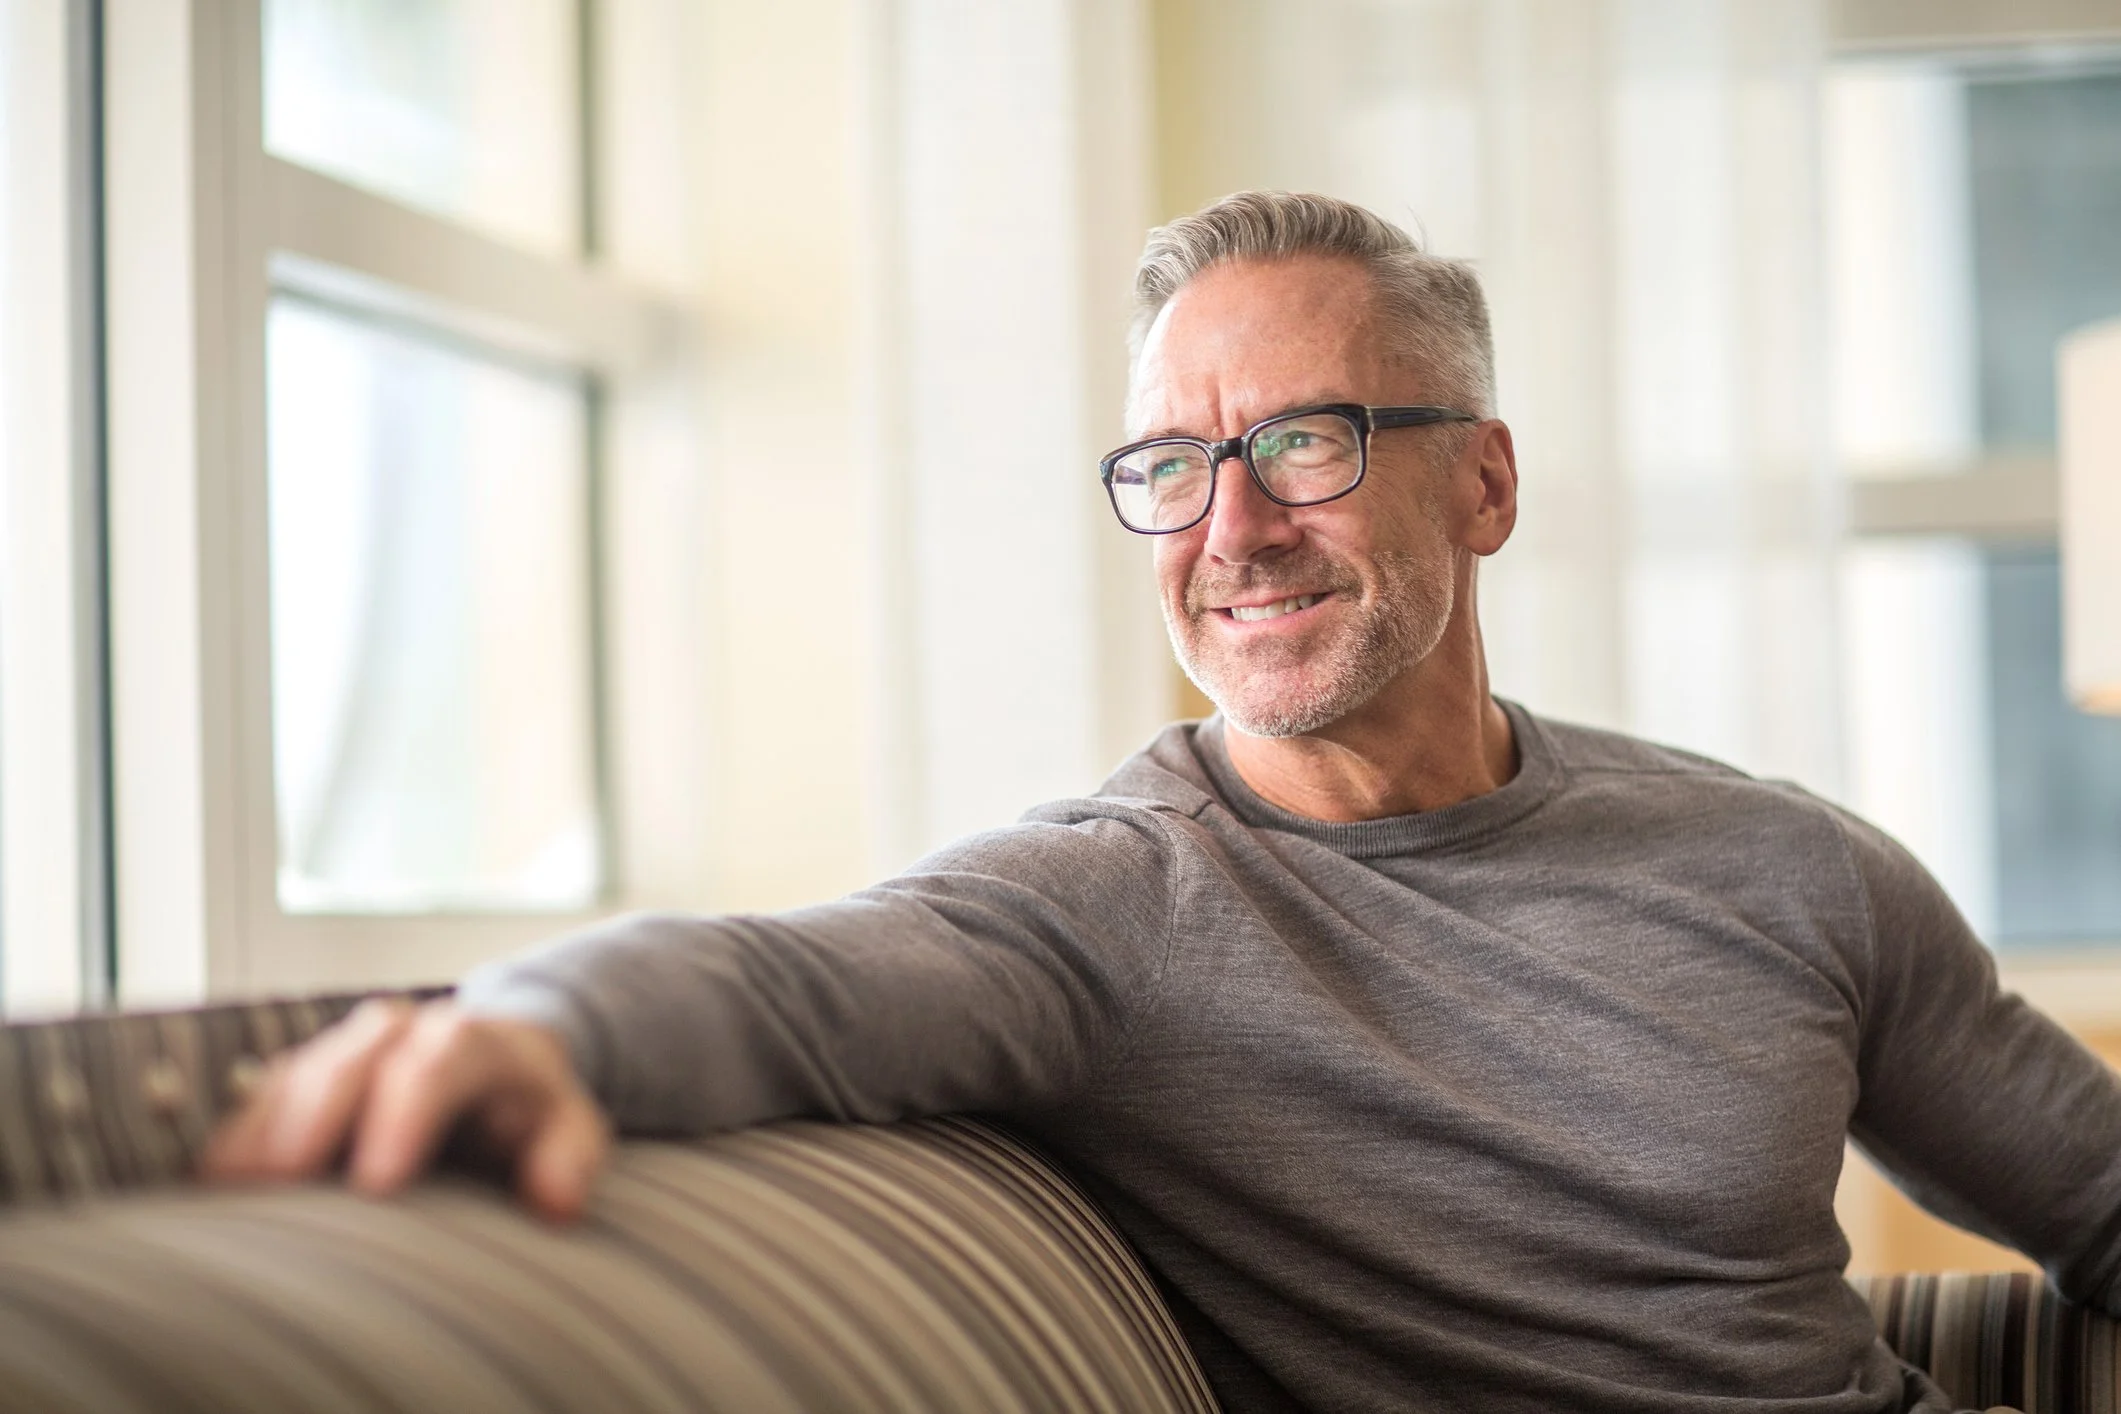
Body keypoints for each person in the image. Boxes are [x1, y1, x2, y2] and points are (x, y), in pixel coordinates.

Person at [204, 191, 2121, 1414]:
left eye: (1300, 440)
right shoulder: (1111, 910)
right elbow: (799, 981)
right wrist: (535, 1028)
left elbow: (2097, 1192)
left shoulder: (1784, 863)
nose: (1231, 529)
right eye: (1169, 465)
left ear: (1485, 483)